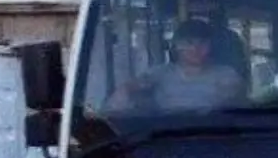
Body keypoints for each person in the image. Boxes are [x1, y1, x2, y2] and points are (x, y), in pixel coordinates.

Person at [106, 19, 247, 113]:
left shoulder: (226, 75)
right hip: (165, 136)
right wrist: (124, 91)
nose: (195, 49)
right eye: (189, 43)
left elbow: (234, 104)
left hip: (214, 133)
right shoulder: (160, 73)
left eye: (202, 43)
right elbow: (130, 89)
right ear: (177, 46)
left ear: (211, 46)